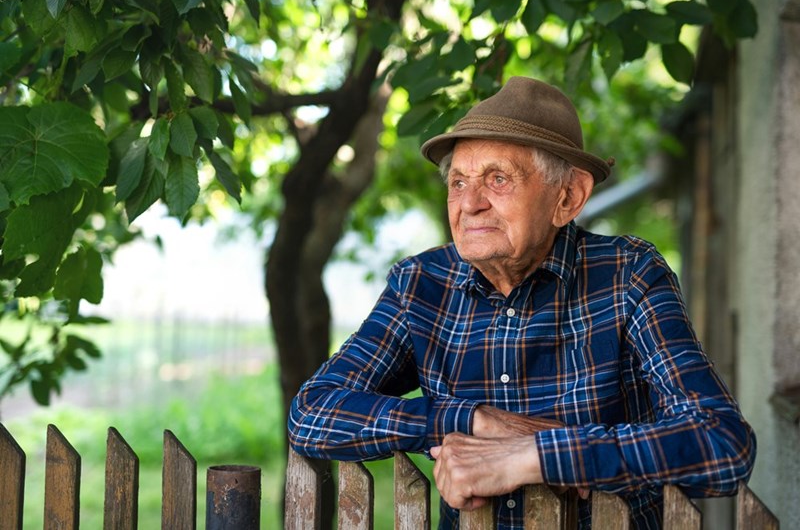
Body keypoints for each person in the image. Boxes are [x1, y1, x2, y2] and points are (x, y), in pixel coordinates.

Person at [287, 76, 756, 528]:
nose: (469, 203)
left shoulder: (629, 275)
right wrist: (471, 419)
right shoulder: (421, 284)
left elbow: (721, 442)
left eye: (497, 179)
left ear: (567, 197)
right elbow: (313, 413)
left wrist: (536, 455)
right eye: (457, 182)